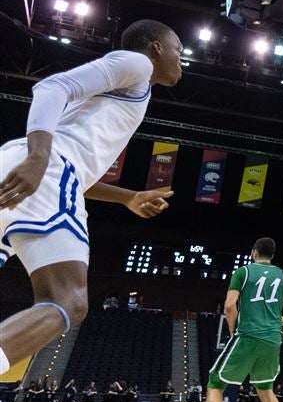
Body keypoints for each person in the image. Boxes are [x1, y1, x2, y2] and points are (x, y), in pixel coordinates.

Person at [0, 20, 181, 378]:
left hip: (19, 164)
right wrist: (39, 158)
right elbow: (51, 87)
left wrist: (127, 197)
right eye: (178, 49)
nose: (181, 61)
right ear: (156, 47)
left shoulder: (129, 90)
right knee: (66, 301)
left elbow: (79, 171)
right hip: (44, 166)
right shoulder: (138, 64)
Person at [190, 237, 283, 402]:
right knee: (265, 388)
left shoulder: (243, 272)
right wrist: (281, 321)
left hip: (247, 334)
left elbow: (230, 305)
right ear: (272, 255)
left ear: (253, 252)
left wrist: (233, 331)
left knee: (215, 382)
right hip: (272, 340)